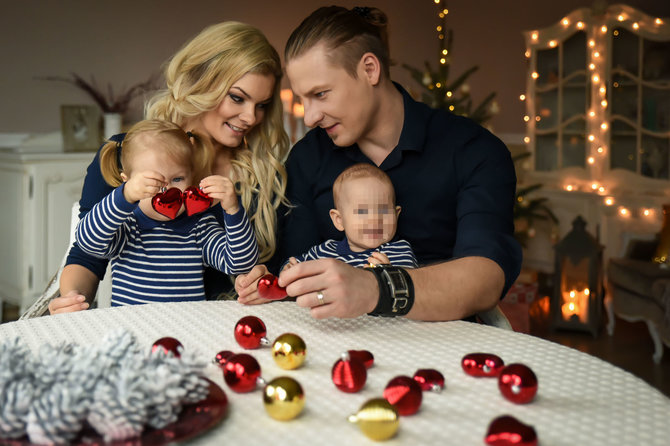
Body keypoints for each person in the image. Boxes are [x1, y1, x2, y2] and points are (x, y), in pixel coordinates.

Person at [236, 6, 522, 321]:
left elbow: (486, 277)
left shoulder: (473, 150)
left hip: (445, 347)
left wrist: (376, 288)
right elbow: (296, 268)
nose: (310, 116)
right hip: (335, 342)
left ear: (370, 69)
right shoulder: (307, 157)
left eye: (321, 94)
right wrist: (270, 278)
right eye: (303, 99)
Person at [50, 22, 289, 314]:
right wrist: (73, 300)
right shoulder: (128, 155)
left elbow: (261, 264)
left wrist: (261, 279)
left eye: (262, 105)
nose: (251, 117)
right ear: (200, 83)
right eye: (237, 98)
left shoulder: (263, 176)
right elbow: (87, 251)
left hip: (219, 325)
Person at [76, 119, 258, 305]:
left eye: (178, 179)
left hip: (184, 328)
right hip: (133, 327)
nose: (168, 190)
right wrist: (124, 197)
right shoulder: (126, 224)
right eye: (153, 181)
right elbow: (87, 241)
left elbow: (239, 263)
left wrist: (233, 210)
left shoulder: (199, 226)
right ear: (127, 181)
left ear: (191, 178)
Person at [284, 163, 417, 269]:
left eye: (383, 210)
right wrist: (290, 269)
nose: (374, 220)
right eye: (362, 212)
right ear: (339, 220)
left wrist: (388, 274)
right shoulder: (324, 252)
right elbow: (297, 265)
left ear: (396, 214)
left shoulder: (397, 251)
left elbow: (408, 287)